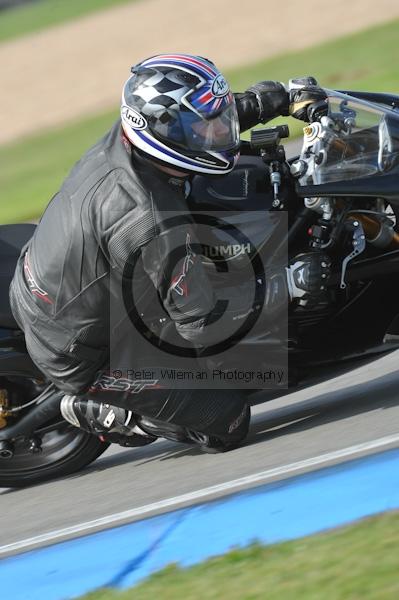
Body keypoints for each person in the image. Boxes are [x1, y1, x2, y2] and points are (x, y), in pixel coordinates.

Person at [9, 55, 329, 452]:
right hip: (87, 350)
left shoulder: (133, 139)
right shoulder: (149, 218)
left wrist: (269, 101)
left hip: (74, 284)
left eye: (217, 117)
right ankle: (107, 410)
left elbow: (193, 122)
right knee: (227, 419)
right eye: (206, 123)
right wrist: (289, 285)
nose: (216, 129)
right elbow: (203, 324)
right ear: (163, 134)